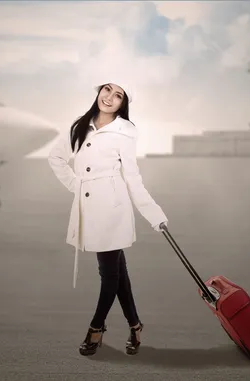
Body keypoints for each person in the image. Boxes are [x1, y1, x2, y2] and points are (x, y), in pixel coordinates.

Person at [47, 79, 168, 357]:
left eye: (118, 95)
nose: (110, 97)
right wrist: (76, 185)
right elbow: (56, 157)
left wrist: (154, 214)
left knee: (109, 274)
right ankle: (135, 326)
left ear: (123, 103)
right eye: (107, 89)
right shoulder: (80, 124)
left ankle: (96, 328)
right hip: (89, 207)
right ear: (99, 91)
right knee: (118, 273)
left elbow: (132, 177)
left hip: (113, 208)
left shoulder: (126, 131)